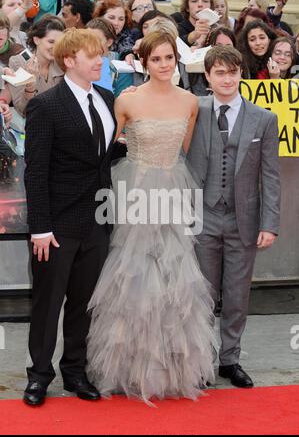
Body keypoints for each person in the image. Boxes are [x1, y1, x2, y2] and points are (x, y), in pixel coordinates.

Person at [86, 31, 216, 405]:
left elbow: (185, 149)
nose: (163, 65)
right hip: (134, 192)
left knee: (175, 273)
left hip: (173, 190)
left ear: (177, 61)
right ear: (143, 62)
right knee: (131, 272)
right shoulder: (126, 101)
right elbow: (106, 146)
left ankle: (172, 369)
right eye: (155, 59)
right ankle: (128, 367)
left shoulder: (191, 102)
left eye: (169, 58)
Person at [23, 28, 125, 406]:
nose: (100, 60)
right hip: (56, 226)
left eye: (101, 54)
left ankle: (75, 372)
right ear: (70, 60)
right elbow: (34, 172)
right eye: (92, 55)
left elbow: (96, 156)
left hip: (97, 221)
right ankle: (38, 376)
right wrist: (40, 229)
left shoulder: (106, 97)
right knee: (48, 305)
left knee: (84, 303)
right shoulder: (46, 105)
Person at [187, 46, 280, 388]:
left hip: (245, 219)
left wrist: (269, 223)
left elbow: (270, 176)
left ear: (241, 73)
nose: (227, 79)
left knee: (237, 295)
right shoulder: (194, 110)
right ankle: (201, 361)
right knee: (203, 295)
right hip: (202, 216)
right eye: (220, 73)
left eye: (233, 72)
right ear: (208, 77)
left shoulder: (264, 119)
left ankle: (230, 360)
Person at [7, 14, 65, 116]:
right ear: (36, 40)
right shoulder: (18, 63)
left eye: (59, 43)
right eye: (51, 42)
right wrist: (30, 83)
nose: (55, 47)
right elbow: (23, 110)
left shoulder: (62, 64)